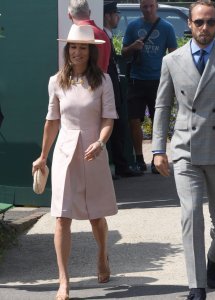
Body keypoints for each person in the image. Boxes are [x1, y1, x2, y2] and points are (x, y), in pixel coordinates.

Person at [152, 1, 215, 299]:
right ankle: (196, 286)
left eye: (210, 22)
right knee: (191, 213)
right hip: (186, 149)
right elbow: (162, 106)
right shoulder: (172, 61)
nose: (205, 28)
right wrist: (158, 148)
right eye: (199, 22)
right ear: (189, 24)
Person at [32, 24, 118, 300]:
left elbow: (108, 118)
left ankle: (102, 254)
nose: (77, 52)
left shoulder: (103, 80)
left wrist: (101, 142)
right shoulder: (56, 81)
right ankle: (64, 280)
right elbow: (52, 121)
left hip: (93, 150)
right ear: (66, 49)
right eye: (73, 47)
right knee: (61, 217)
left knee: (96, 217)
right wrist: (43, 155)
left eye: (82, 47)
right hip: (65, 152)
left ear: (90, 51)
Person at [121, 0, 177, 173]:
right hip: (136, 80)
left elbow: (174, 54)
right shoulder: (133, 26)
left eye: (151, 6)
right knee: (134, 120)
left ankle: (157, 158)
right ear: (140, 7)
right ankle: (139, 158)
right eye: (145, 6)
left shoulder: (167, 27)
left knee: (157, 121)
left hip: (158, 81)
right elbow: (123, 52)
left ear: (156, 6)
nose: (148, 10)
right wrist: (133, 46)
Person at [103, 1, 143, 178]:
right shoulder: (103, 36)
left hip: (114, 89)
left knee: (118, 129)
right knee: (114, 130)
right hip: (109, 90)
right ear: (108, 16)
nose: (118, 17)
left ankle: (121, 166)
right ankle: (118, 166)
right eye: (115, 14)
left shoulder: (109, 36)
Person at [68, 0, 110, 72]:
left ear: (69, 15)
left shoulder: (77, 36)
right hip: (103, 81)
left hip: (85, 81)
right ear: (89, 12)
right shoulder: (103, 34)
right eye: (74, 47)